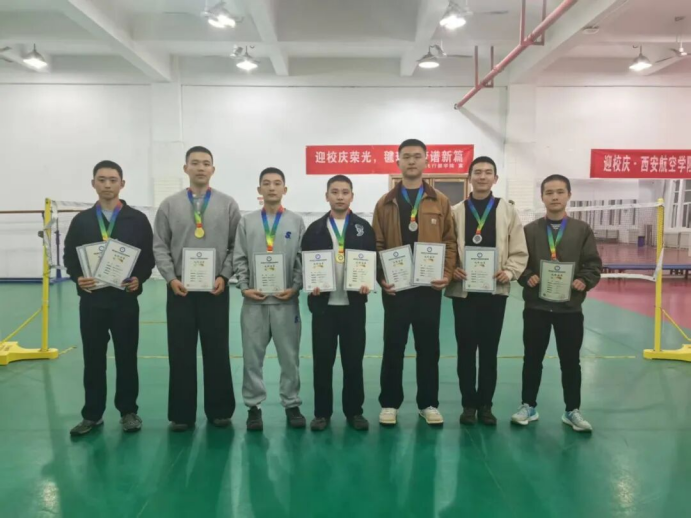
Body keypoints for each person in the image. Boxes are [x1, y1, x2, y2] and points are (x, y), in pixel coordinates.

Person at [64, 160, 155, 436]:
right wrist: (77, 277)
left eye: (112, 180)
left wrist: (139, 278)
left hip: (124, 301)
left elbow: (148, 257)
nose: (107, 185)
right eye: (101, 179)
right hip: (92, 301)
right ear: (93, 183)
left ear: (122, 184)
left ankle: (128, 411)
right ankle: (92, 414)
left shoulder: (137, 219)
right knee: (93, 359)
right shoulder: (81, 221)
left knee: (127, 357)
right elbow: (70, 257)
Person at [154, 146, 241, 432]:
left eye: (206, 163)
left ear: (213, 169)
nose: (201, 168)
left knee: (217, 350)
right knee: (180, 350)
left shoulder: (228, 204)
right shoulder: (169, 205)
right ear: (186, 168)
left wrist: (225, 275)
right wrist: (170, 278)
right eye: (195, 163)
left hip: (216, 287)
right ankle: (182, 414)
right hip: (180, 288)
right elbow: (160, 246)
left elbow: (236, 246)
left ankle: (220, 410)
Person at [373, 139, 457, 427]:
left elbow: (450, 241)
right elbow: (377, 243)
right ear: (397, 161)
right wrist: (381, 276)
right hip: (396, 289)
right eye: (406, 156)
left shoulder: (440, 201)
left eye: (417, 156)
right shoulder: (385, 202)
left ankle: (428, 403)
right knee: (393, 345)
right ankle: (389, 403)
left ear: (426, 161)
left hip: (428, 288)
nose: (411, 161)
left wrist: (447, 273)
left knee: (429, 347)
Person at [512, 174, 603, 433]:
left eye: (560, 192)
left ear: (569, 195)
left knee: (570, 361)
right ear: (542, 197)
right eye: (549, 192)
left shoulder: (582, 230)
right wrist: (527, 276)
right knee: (532, 359)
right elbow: (519, 262)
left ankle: (572, 410)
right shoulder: (529, 231)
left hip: (569, 309)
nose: (554, 197)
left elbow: (593, 264)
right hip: (537, 308)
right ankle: (528, 405)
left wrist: (584, 280)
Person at [446, 156, 528, 426]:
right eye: (477, 172)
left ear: (495, 178)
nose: (482, 177)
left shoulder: (508, 210)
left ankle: (486, 406)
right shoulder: (456, 211)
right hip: (464, 293)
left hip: (495, 292)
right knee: (466, 351)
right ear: (469, 177)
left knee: (489, 351)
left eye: (488, 172)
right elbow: (447, 247)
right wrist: (452, 269)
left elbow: (519, 248)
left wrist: (510, 272)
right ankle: (468, 405)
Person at [301, 175, 377, 432]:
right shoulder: (315, 229)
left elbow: (371, 260)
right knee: (323, 362)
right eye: (335, 192)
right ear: (327, 196)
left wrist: (367, 282)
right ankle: (321, 413)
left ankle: (355, 411)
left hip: (353, 306)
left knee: (353, 362)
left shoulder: (363, 228)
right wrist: (311, 283)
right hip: (324, 308)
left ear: (352, 196)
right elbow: (305, 264)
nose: (340, 196)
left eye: (345, 192)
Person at [233, 168, 306, 431]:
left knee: (290, 358)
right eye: (266, 183)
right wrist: (244, 287)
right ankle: (253, 407)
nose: (272, 188)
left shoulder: (296, 221)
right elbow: (239, 257)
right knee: (252, 358)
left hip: (286, 302)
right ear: (259, 190)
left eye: (277, 183)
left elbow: (301, 259)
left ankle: (292, 403)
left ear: (285, 189)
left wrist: (295, 287)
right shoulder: (247, 221)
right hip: (254, 302)